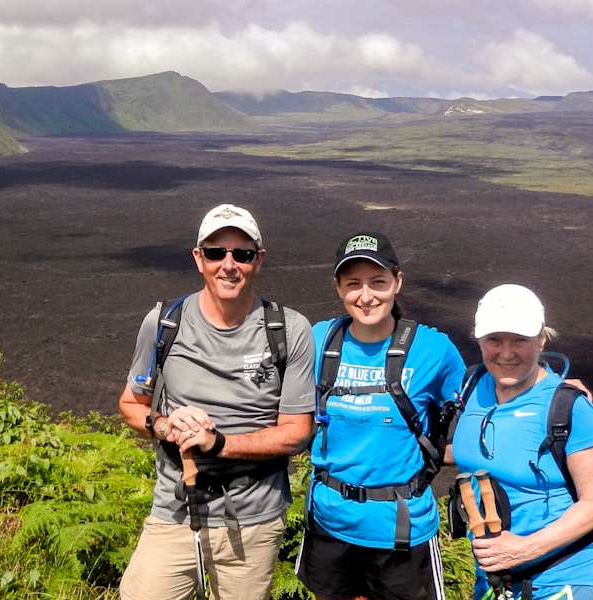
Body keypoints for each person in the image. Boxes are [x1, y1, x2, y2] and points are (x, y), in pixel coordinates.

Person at [117, 203, 316, 600]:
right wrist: (162, 425)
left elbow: (297, 433)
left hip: (253, 519)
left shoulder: (288, 330)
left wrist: (219, 443)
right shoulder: (163, 323)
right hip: (175, 506)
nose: (229, 264)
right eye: (215, 252)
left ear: (258, 260)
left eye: (241, 254)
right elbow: (130, 403)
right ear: (198, 259)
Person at [297, 231, 465, 600]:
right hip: (329, 524)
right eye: (353, 284)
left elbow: (481, 401)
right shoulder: (319, 340)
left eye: (378, 282)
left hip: (400, 535)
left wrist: (548, 386)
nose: (366, 295)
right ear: (338, 288)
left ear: (397, 282)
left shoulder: (433, 349)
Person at [449, 284, 593, 600]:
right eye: (494, 340)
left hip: (559, 581)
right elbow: (465, 451)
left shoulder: (569, 407)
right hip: (492, 581)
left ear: (541, 340)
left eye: (520, 340)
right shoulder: (472, 386)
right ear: (479, 339)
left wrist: (523, 550)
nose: (506, 353)